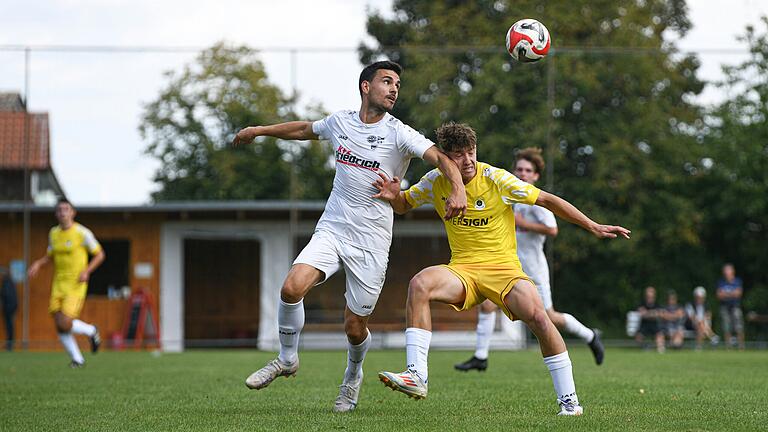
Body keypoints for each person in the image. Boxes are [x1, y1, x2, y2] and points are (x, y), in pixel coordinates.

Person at [232, 61, 467, 413]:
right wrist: (259, 130)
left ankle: (353, 375)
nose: (394, 89)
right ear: (365, 87)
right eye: (387, 81)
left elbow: (441, 159)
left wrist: (458, 188)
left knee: (354, 327)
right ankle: (287, 358)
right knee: (291, 287)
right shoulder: (340, 122)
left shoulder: (399, 132)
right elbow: (303, 130)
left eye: (397, 84)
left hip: (372, 243)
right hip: (333, 227)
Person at [373, 122, 630, 416]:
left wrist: (592, 225)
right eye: (458, 155)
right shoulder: (434, 181)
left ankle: (569, 402)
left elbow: (545, 199)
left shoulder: (496, 179)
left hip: (504, 272)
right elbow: (406, 204)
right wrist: (395, 196)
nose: (468, 160)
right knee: (419, 283)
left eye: (471, 152)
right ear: (444, 157)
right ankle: (416, 375)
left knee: (540, 317)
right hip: (463, 271)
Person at [455, 148, 604, 372]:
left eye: (528, 170)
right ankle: (480, 356)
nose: (522, 173)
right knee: (487, 305)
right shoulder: (507, 193)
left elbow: (552, 229)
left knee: (549, 317)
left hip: (534, 269)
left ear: (535, 176)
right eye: (519, 169)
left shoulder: (533, 198)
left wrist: (522, 224)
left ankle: (590, 335)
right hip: (507, 266)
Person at [28, 199, 104, 367]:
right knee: (59, 324)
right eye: (59, 210)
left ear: (72, 213)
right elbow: (50, 255)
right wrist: (39, 263)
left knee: (65, 322)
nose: (63, 212)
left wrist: (87, 271)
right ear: (56, 214)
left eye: (66, 209)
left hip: (76, 283)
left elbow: (99, 254)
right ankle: (78, 359)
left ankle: (91, 331)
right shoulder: (53, 233)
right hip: (58, 283)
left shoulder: (82, 233)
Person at [717, 263, 745, 349]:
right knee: (726, 327)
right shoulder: (721, 282)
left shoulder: (737, 281)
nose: (726, 272)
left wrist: (726, 294)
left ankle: (741, 346)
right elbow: (719, 295)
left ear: (732, 271)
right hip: (724, 307)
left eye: (728, 270)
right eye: (725, 270)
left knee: (739, 326)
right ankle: (728, 347)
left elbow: (738, 294)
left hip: (735, 307)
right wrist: (732, 294)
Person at [635, 286, 663, 352]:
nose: (650, 298)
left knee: (659, 335)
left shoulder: (657, 305)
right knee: (638, 337)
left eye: (651, 296)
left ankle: (660, 349)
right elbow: (642, 313)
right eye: (648, 296)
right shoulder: (641, 304)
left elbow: (659, 314)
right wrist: (653, 313)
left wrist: (647, 313)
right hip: (644, 325)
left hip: (654, 324)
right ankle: (645, 347)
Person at [1, 266, 18, 351]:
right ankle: (9, 344)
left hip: (8, 309)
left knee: (9, 327)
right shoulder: (11, 282)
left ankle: (10, 345)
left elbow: (7, 296)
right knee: (9, 327)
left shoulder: (6, 282)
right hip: (11, 308)